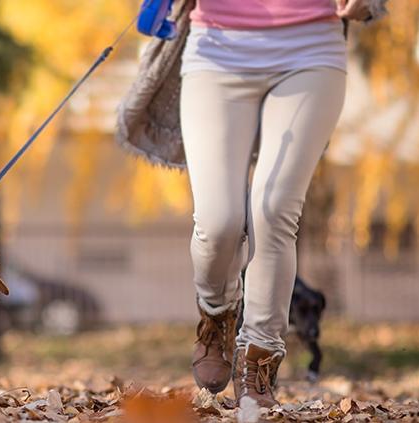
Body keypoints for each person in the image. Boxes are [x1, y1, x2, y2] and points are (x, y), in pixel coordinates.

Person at [117, 0, 388, 409]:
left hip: (311, 50)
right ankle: (217, 314)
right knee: (218, 220)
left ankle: (259, 356)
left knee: (274, 208)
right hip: (217, 50)